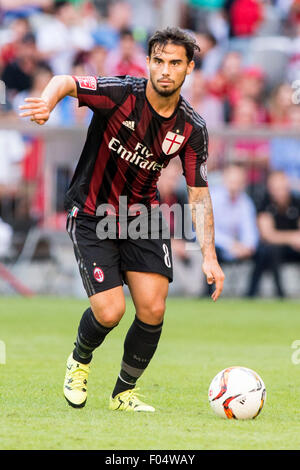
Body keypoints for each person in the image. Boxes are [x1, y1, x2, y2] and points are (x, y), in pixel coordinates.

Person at [19, 27, 225, 413]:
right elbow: (65, 81)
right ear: (148, 62)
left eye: (175, 63)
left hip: (142, 216)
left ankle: (123, 393)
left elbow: (198, 193)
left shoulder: (192, 128)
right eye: (159, 61)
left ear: (189, 68)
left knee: (153, 309)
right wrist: (47, 102)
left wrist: (209, 256)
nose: (166, 70)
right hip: (92, 213)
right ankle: (79, 360)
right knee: (111, 312)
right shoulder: (119, 93)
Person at [247, 171, 300, 298]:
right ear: (270, 189)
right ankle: (279, 294)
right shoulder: (264, 203)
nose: (280, 192)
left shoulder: (297, 202)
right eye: (276, 188)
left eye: (283, 188)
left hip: (294, 247)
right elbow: (268, 236)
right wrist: (292, 237)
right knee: (271, 251)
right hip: (273, 248)